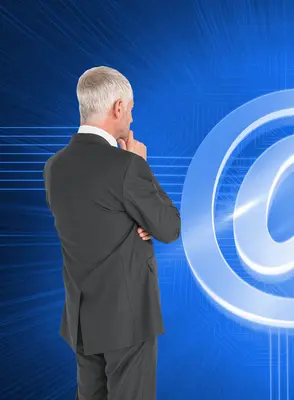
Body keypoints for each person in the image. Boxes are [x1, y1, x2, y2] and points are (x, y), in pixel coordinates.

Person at [43, 66, 181, 399]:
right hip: (127, 321)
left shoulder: (54, 167)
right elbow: (169, 227)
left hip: (81, 321)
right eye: (131, 109)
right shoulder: (127, 166)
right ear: (117, 107)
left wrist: (136, 220)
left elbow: (95, 222)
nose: (131, 119)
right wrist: (142, 166)